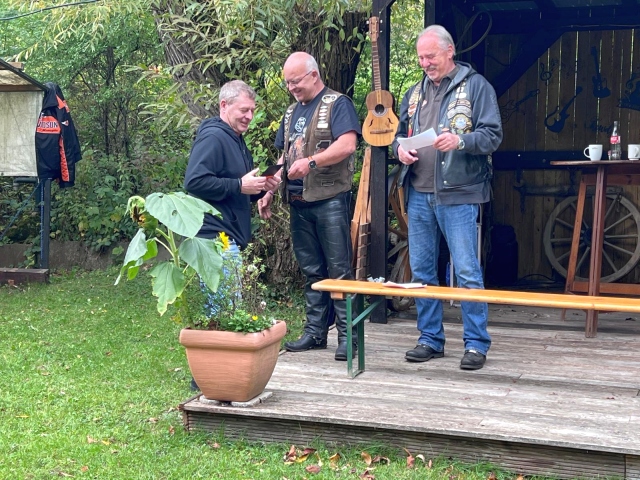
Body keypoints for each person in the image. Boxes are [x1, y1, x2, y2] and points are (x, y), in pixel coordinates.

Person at [393, 25, 503, 370]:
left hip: (460, 193)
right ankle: (430, 338)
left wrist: (461, 141)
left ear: (450, 51)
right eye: (420, 58)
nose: (425, 63)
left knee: (467, 270)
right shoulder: (414, 92)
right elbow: (398, 135)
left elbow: (493, 136)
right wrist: (400, 150)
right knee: (422, 270)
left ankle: (476, 344)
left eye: (430, 56)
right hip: (419, 193)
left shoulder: (477, 86)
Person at [258, 52, 361, 361]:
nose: (292, 88)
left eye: (296, 81)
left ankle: (349, 337)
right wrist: (269, 188)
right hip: (298, 202)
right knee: (311, 270)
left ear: (314, 75)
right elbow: (284, 156)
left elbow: (348, 144)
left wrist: (312, 161)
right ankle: (315, 333)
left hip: (330, 200)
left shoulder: (337, 104)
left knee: (339, 271)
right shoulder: (291, 112)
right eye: (288, 83)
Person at [184, 80, 278, 387]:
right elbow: (194, 182)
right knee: (221, 306)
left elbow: (237, 189)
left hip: (231, 234)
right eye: (244, 110)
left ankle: (216, 373)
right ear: (224, 105)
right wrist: (239, 185)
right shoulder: (214, 136)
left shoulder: (237, 140)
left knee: (227, 305)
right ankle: (207, 378)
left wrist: (260, 188)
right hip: (213, 236)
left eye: (252, 110)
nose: (249, 116)